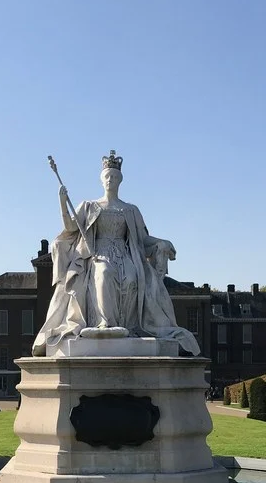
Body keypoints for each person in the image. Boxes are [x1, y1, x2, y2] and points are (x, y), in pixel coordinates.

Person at [33, 151, 199, 356]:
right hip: (97, 254)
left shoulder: (130, 210)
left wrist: (161, 242)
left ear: (120, 181)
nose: (110, 180)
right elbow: (70, 227)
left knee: (131, 278)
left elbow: (142, 239)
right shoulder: (89, 206)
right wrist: (62, 202)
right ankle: (105, 324)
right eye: (107, 177)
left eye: (114, 177)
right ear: (102, 181)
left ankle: (127, 328)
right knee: (103, 275)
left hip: (125, 254)